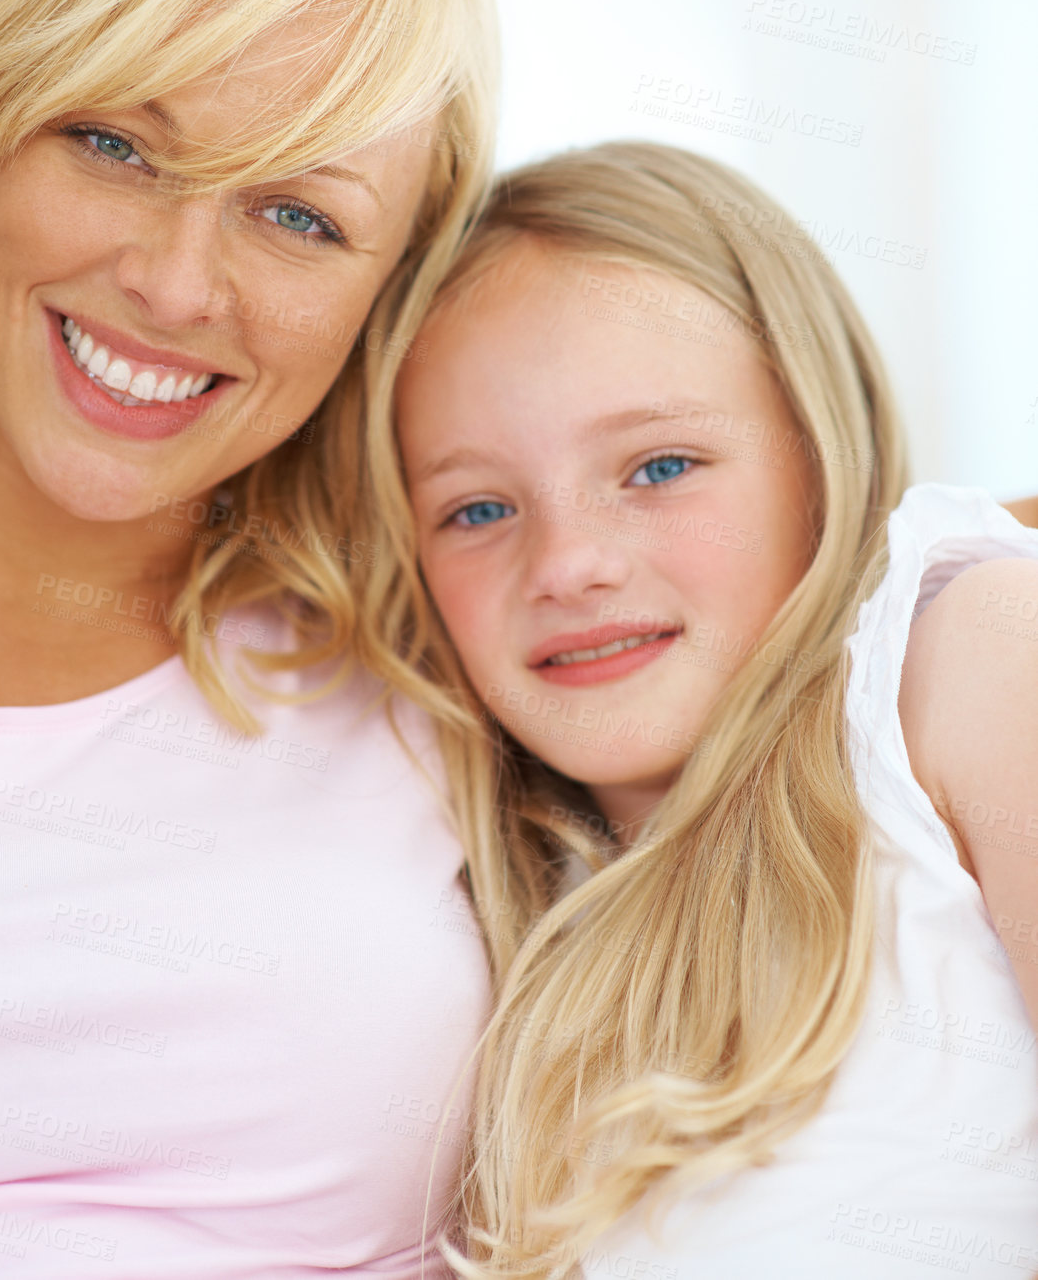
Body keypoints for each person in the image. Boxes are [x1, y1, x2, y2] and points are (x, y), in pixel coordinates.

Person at [0, 0, 499, 1278]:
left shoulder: (456, 629)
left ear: (389, 288)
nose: (171, 283)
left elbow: (840, 576)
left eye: (297, 217)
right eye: (113, 143)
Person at [392, 142, 1038, 1278]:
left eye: (658, 467)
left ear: (817, 460)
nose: (570, 562)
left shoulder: (961, 656)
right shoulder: (500, 917)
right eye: (479, 505)